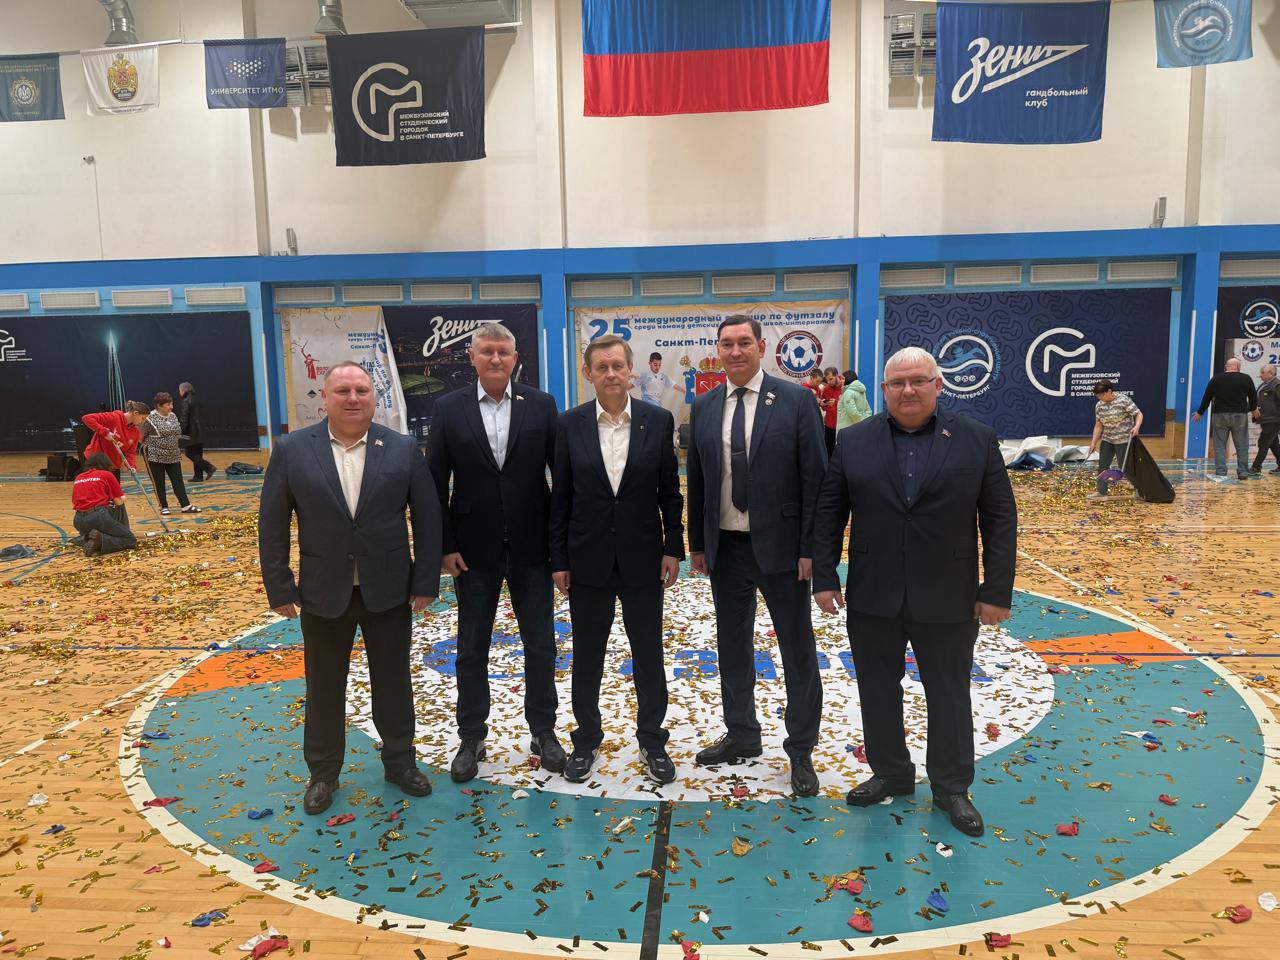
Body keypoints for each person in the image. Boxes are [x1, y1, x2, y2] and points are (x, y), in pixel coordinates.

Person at [813, 346, 1017, 838]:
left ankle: (951, 787)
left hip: (949, 594)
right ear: (883, 390)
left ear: (937, 385)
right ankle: (891, 772)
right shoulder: (854, 441)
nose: (908, 390)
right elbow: (830, 512)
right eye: (897, 383)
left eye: (918, 381)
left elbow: (999, 518)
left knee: (949, 692)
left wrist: (996, 590)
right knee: (877, 689)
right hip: (873, 592)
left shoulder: (975, 439)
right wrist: (824, 576)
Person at [258, 362, 441, 815]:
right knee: (324, 685)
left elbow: (428, 519)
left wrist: (424, 581)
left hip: (389, 589)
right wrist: (279, 585)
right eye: (343, 391)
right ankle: (323, 773)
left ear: (374, 398)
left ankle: (400, 763)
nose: (353, 398)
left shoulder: (402, 449)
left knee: (393, 682)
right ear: (325, 398)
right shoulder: (293, 450)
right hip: (323, 591)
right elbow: (272, 522)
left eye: (361, 390)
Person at [687, 316, 827, 797]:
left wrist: (810, 548)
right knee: (732, 646)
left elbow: (816, 479)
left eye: (744, 342)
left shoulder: (795, 400)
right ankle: (743, 735)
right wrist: (698, 544)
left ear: (761, 348)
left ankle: (801, 749)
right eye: (726, 344)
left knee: (797, 650)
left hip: (784, 550)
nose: (735, 351)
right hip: (726, 548)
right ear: (718, 351)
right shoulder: (705, 406)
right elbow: (699, 481)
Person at [426, 323, 565, 783]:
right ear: (472, 357)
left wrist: (559, 547)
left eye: (503, 352)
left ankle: (543, 731)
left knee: (540, 645)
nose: (495, 359)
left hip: (533, 547)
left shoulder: (541, 405)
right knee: (471, 647)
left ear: (515, 357)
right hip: (472, 550)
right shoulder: (449, 409)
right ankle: (471, 736)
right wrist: (445, 546)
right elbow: (433, 484)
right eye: (487, 351)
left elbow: (562, 481)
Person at [550, 335, 684, 784]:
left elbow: (670, 492)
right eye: (601, 367)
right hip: (586, 560)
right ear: (588, 373)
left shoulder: (657, 421)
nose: (610, 374)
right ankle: (586, 739)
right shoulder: (568, 425)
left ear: (630, 371)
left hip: (643, 558)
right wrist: (558, 558)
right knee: (587, 655)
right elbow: (561, 497)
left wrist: (673, 547)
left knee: (648, 653)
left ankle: (652, 740)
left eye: (617, 366)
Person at [1192, 358, 1259, 479]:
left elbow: (1207, 397)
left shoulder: (1216, 379)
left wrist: (1199, 412)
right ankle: (1243, 472)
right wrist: (1254, 409)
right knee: (1242, 445)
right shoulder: (1246, 378)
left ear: (1226, 367)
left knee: (1219, 445)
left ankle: (1221, 472)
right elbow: (1253, 396)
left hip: (1219, 415)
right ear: (1238, 367)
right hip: (1239, 415)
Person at [139, 392, 200, 516]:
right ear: (159, 406)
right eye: (168, 404)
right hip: (154, 455)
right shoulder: (149, 419)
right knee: (158, 481)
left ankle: (185, 505)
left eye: (171, 404)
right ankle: (163, 506)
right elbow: (140, 437)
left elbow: (177, 432)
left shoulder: (173, 416)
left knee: (178, 480)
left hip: (173, 454)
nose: (171, 407)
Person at [1085, 380, 1143, 499]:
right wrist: (1093, 443)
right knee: (1103, 464)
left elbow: (1138, 414)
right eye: (1097, 395)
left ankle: (1139, 489)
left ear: (1109, 391)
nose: (1100, 398)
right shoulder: (1099, 405)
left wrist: (1136, 427)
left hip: (1123, 439)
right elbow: (1098, 425)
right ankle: (1101, 492)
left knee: (1126, 466)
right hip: (1108, 439)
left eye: (1102, 395)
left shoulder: (1123, 400)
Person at [71, 452, 137, 556]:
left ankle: (86, 539)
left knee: (108, 509)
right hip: (97, 517)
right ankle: (100, 540)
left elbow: (76, 501)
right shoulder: (106, 474)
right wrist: (124, 497)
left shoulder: (79, 477)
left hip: (78, 520)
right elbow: (119, 501)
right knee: (130, 539)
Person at [82, 401, 149, 478]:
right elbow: (87, 418)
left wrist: (131, 466)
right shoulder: (113, 417)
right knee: (98, 485)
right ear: (135, 413)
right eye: (142, 418)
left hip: (113, 466)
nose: (142, 422)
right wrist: (105, 433)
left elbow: (130, 453)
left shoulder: (135, 433)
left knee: (114, 486)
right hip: (95, 462)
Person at [178, 382, 218, 482]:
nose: (179, 393)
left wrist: (180, 431)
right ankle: (198, 476)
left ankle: (209, 467)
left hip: (191, 433)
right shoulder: (198, 399)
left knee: (189, 453)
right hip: (201, 432)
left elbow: (184, 418)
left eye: (180, 391)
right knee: (197, 454)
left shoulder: (186, 401)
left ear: (184, 390)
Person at [1251, 363, 1280, 475]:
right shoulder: (1264, 385)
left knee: (1264, 442)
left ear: (1271, 373)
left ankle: (1256, 467)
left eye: (1263, 372)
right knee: (1273, 443)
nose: (1261, 375)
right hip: (1266, 419)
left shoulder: (1277, 385)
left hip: (1273, 420)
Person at [818, 367, 843, 456]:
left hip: (841, 426)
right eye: (827, 380)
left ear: (837, 375)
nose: (829, 382)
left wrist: (835, 403)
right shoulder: (827, 388)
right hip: (829, 426)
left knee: (840, 453)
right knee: (828, 453)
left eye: (831, 379)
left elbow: (846, 409)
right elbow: (824, 407)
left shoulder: (844, 388)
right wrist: (822, 404)